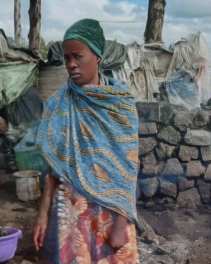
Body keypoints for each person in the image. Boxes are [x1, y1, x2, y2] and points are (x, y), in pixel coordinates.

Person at [32, 18, 139, 263]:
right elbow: (54, 166)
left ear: (97, 55)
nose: (70, 64)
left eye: (77, 56)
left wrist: (121, 224)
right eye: (66, 58)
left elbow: (129, 168)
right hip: (71, 208)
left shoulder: (120, 105)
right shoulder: (58, 105)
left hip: (111, 211)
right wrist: (42, 213)